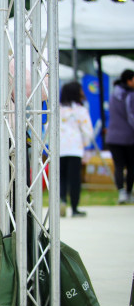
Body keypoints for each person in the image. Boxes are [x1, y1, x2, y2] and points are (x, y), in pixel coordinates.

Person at [59, 82, 93, 217]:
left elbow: (48, 127)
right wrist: (84, 144)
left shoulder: (57, 109)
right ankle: (74, 208)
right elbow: (87, 131)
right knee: (74, 179)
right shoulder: (80, 110)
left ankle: (61, 200)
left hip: (60, 148)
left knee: (60, 178)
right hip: (75, 148)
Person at [105, 69, 134, 204]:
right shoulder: (130, 95)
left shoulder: (113, 94)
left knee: (119, 165)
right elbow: (131, 117)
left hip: (113, 137)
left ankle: (121, 192)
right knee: (131, 166)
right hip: (128, 137)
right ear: (129, 80)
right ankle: (128, 193)